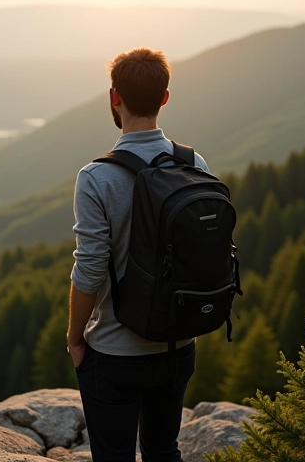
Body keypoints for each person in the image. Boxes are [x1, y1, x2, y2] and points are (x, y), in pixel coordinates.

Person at [68, 47, 209, 462]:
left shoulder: (97, 177)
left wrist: (76, 338)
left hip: (115, 351)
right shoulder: (193, 162)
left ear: (115, 97)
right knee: (164, 450)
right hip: (178, 343)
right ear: (165, 98)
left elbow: (90, 269)